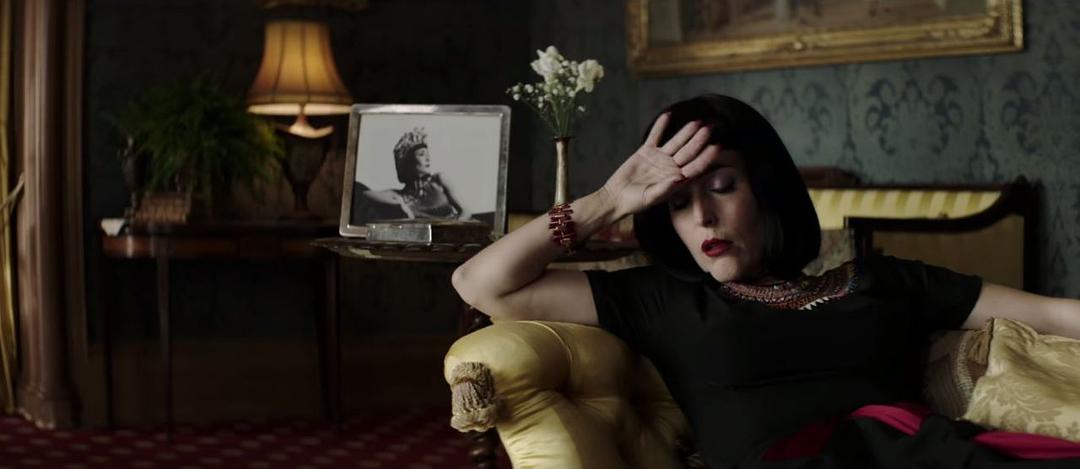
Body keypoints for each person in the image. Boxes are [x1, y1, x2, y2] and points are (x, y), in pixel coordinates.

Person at [451, 94, 1080, 468]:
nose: (702, 216)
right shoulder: (664, 299)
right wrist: (609, 200)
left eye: (723, 187)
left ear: (768, 192)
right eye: (677, 203)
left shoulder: (886, 282)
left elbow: (1053, 315)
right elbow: (483, 283)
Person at [352, 127, 472, 221]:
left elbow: (466, 211)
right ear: (408, 163)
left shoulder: (439, 180)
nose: (428, 158)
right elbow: (362, 192)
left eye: (427, 154)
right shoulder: (399, 196)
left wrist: (454, 229)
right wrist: (400, 204)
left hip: (453, 234)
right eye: (421, 154)